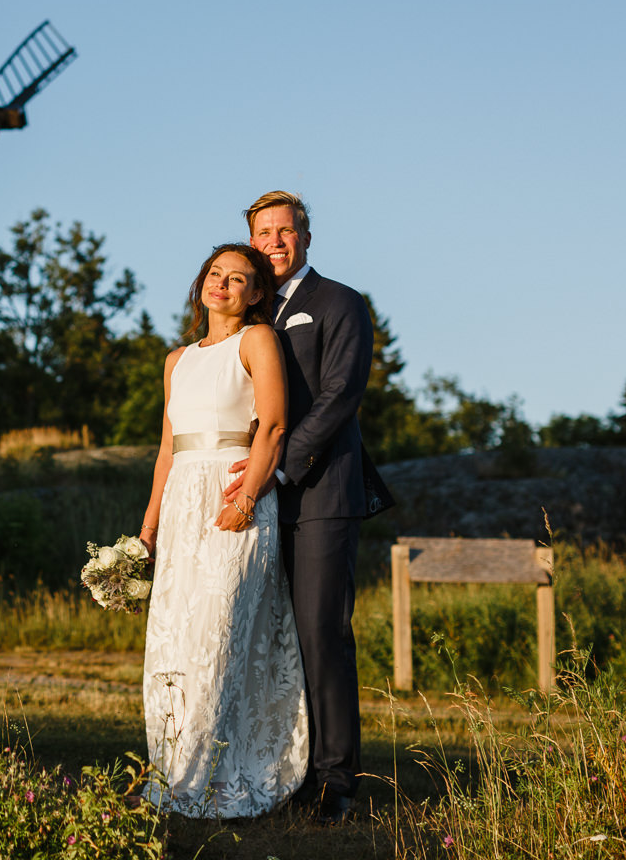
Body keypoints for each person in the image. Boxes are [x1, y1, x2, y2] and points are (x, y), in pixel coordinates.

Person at [137, 242, 309, 819]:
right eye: (215, 274)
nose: (223, 285)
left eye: (238, 279)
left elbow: (276, 423)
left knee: (220, 635)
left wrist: (248, 498)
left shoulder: (257, 341)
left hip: (233, 500)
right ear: (201, 283)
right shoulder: (176, 359)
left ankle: (215, 777)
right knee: (176, 640)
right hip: (183, 507)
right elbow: (167, 450)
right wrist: (148, 528)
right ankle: (174, 772)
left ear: (256, 294)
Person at [225, 190, 379, 825]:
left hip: (320, 492)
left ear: (306, 238)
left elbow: (341, 394)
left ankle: (335, 781)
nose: (275, 243)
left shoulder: (340, 303)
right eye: (264, 233)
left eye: (286, 231)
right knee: (270, 637)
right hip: (256, 498)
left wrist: (282, 467)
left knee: (321, 635)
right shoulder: (246, 315)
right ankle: (279, 770)